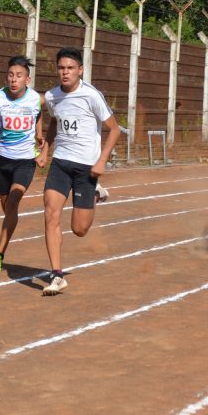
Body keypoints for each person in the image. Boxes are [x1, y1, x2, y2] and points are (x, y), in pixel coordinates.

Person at [41, 47, 121, 295]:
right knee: (50, 213)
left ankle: (95, 194)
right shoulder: (52, 96)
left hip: (87, 167)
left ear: (80, 70)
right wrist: (45, 149)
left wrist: (101, 161)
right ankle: (57, 275)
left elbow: (115, 129)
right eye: (61, 68)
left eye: (70, 68)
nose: (65, 72)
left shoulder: (91, 95)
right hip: (61, 163)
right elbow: (54, 121)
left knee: (79, 229)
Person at [0, 56, 47, 272]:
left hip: (25, 161)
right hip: (4, 161)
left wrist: (39, 136)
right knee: (8, 209)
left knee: (11, 205)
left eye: (19, 76)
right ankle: (7, 236)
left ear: (27, 80)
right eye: (10, 75)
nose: (13, 79)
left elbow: (40, 114)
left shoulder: (36, 99)